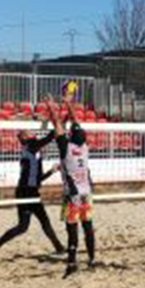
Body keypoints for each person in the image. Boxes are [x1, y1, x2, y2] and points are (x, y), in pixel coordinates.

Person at [0, 124, 64, 264]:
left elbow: (38, 178)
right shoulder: (30, 146)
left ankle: (58, 247)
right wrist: (58, 124)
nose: (32, 133)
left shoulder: (34, 151)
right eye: (29, 132)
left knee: (35, 223)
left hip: (31, 191)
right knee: (25, 226)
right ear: (25, 137)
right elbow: (48, 138)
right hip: (25, 192)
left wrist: (52, 171)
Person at [54, 98, 95, 277]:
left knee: (72, 229)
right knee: (88, 227)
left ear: (70, 135)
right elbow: (75, 120)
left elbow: (57, 123)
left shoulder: (66, 147)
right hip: (86, 193)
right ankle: (92, 259)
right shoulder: (84, 148)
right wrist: (68, 103)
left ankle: (72, 262)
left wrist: (51, 105)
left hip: (72, 195)